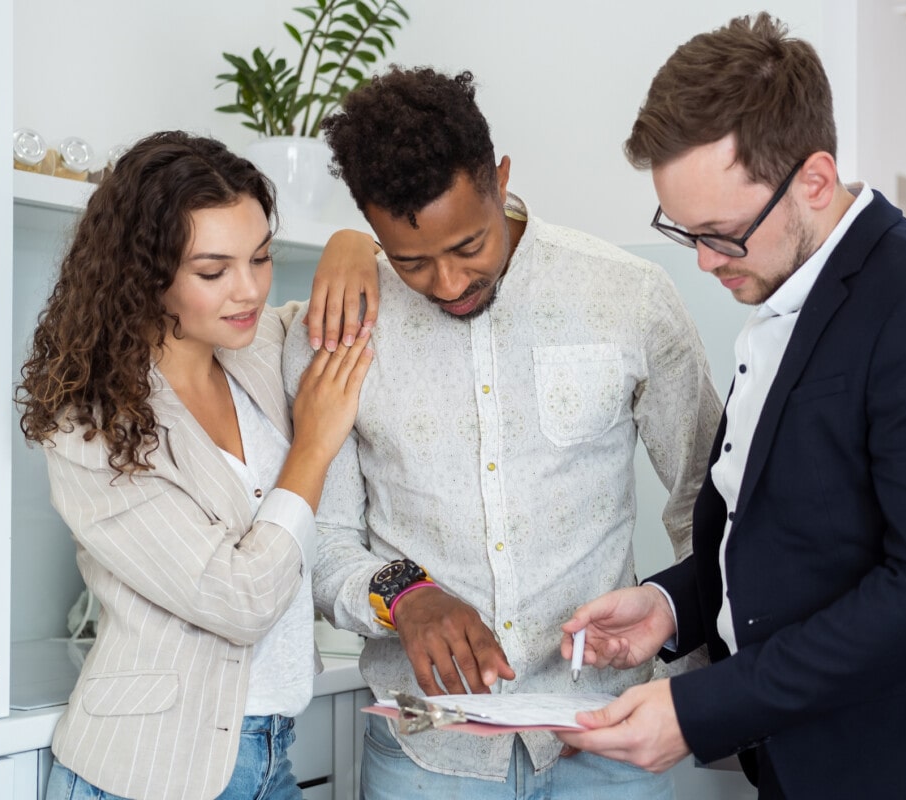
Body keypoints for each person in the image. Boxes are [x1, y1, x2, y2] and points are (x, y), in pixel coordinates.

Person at [554, 13, 906, 800]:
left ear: (815, 181)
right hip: (805, 766)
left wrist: (699, 709)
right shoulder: (785, 293)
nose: (700, 259)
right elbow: (797, 542)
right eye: (682, 230)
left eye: (720, 233)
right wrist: (670, 605)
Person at [280, 67, 722, 799]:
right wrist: (406, 595)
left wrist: (702, 699)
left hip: (607, 741)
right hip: (425, 754)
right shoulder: (340, 328)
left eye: (469, 245)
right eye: (412, 261)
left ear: (501, 179)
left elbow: (702, 502)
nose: (450, 283)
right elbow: (320, 541)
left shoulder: (627, 296)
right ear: (369, 223)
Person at [17, 130, 377, 800]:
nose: (248, 291)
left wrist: (351, 242)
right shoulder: (92, 427)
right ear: (144, 273)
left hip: (274, 751)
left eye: (261, 257)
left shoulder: (259, 346)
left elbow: (360, 302)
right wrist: (312, 450)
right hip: (149, 772)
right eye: (213, 272)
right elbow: (239, 601)